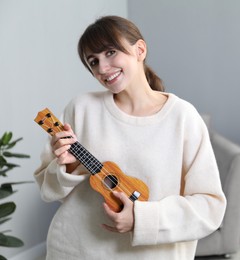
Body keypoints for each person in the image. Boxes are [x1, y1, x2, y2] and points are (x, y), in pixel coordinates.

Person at [34, 15, 226, 260]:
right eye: (93, 61)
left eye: (111, 52)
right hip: (75, 250)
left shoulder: (183, 117)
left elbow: (210, 208)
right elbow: (47, 190)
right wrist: (67, 166)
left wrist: (143, 219)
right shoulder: (80, 108)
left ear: (140, 50)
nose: (102, 68)